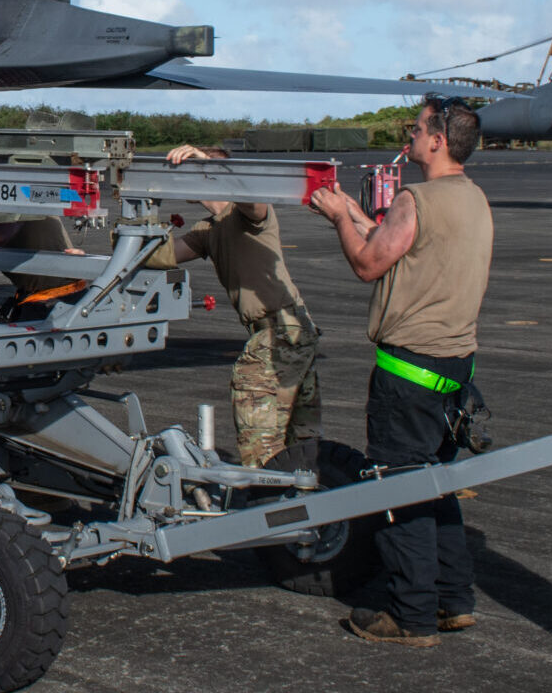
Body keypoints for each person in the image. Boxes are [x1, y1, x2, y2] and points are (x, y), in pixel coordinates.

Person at [308, 97, 493, 647]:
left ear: (437, 141)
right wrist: (356, 214)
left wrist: (342, 219)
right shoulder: (471, 197)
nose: (408, 137)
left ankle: (408, 615)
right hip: (454, 371)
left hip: (409, 372)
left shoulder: (418, 198)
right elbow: (401, 246)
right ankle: (452, 600)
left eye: (416, 130)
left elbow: (369, 263)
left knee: (399, 490)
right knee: (438, 486)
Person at [149, 143, 323, 465]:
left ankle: (266, 502)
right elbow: (162, 257)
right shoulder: (209, 229)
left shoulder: (246, 214)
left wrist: (208, 166)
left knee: (263, 444)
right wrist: (141, 215)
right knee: (302, 442)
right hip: (288, 333)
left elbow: (253, 200)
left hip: (279, 332)